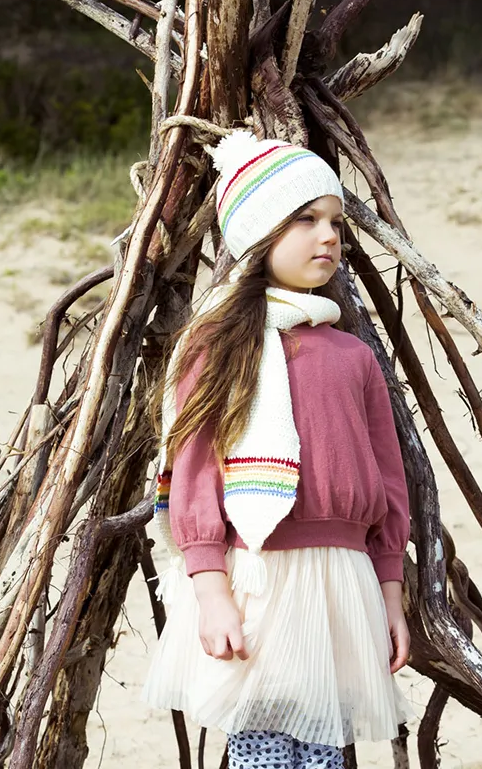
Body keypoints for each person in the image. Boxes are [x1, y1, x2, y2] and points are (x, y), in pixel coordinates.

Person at [141, 131, 411, 769]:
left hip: (342, 583)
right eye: (305, 220)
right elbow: (196, 469)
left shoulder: (353, 355)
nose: (328, 237)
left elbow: (389, 481)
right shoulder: (223, 346)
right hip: (258, 578)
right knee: (260, 743)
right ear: (261, 236)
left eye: (335, 223)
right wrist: (210, 589)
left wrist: (391, 593)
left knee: (324, 745)